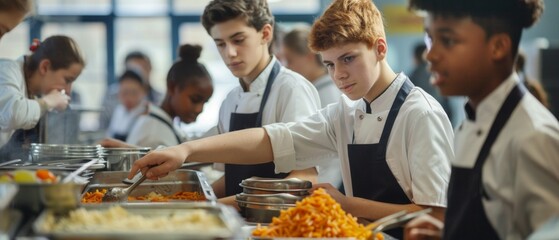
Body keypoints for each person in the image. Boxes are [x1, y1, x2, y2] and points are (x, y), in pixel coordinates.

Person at [129, 0, 454, 238]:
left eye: (348, 59)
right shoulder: (345, 112)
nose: (339, 75)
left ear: (380, 48)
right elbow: (274, 138)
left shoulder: (419, 114)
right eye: (329, 65)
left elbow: (436, 213)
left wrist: (347, 204)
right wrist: (186, 152)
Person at [404, 0, 559, 239]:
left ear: (498, 47)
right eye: (429, 39)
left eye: (447, 41)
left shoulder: (533, 137)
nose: (431, 55)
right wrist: (449, 233)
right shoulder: (471, 122)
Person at [200, 0, 324, 204]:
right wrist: (196, 202)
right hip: (237, 223)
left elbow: (304, 177)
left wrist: (219, 206)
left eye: (238, 40)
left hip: (276, 224)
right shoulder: (230, 100)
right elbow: (232, 177)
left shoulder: (292, 89)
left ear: (265, 34)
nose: (229, 53)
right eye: (220, 44)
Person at [103, 44, 213, 149]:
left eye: (205, 102)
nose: (200, 109)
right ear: (172, 87)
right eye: (195, 100)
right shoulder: (153, 134)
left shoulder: (162, 123)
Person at [0, 35, 85, 161]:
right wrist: (50, 100)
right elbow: (13, 114)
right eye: (67, 80)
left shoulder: (34, 92)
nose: (68, 90)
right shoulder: (6, 70)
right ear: (45, 67)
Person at [281, 26, 342, 187]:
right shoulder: (316, 89)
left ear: (308, 56)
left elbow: (332, 159)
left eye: (290, 60)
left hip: (328, 184)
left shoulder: (329, 94)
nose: (287, 67)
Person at [99, 51, 163, 132]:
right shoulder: (113, 100)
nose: (141, 73)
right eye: (135, 69)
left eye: (144, 68)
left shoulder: (159, 99)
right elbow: (103, 127)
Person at [105, 69, 148, 141]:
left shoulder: (147, 113)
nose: (129, 98)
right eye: (125, 93)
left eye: (134, 93)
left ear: (143, 92)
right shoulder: (119, 110)